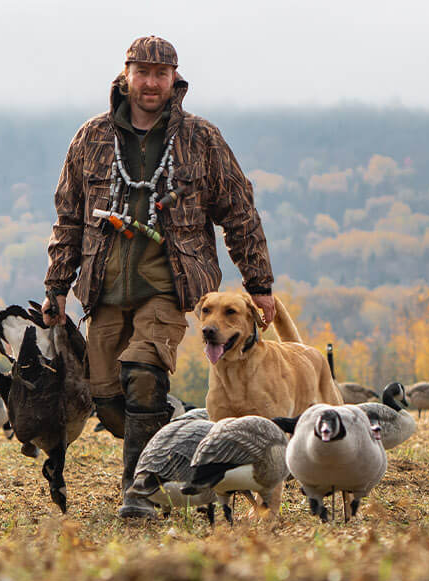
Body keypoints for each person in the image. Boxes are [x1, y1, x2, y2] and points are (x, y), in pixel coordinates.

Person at [41, 36, 275, 498]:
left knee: (144, 374)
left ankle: (139, 490)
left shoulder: (201, 139)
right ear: (125, 77)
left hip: (171, 285)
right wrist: (56, 288)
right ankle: (179, 439)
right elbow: (68, 218)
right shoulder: (90, 138)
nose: (151, 83)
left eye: (161, 74)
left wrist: (259, 283)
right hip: (103, 288)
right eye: (142, 73)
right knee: (107, 399)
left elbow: (240, 212)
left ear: (175, 80)